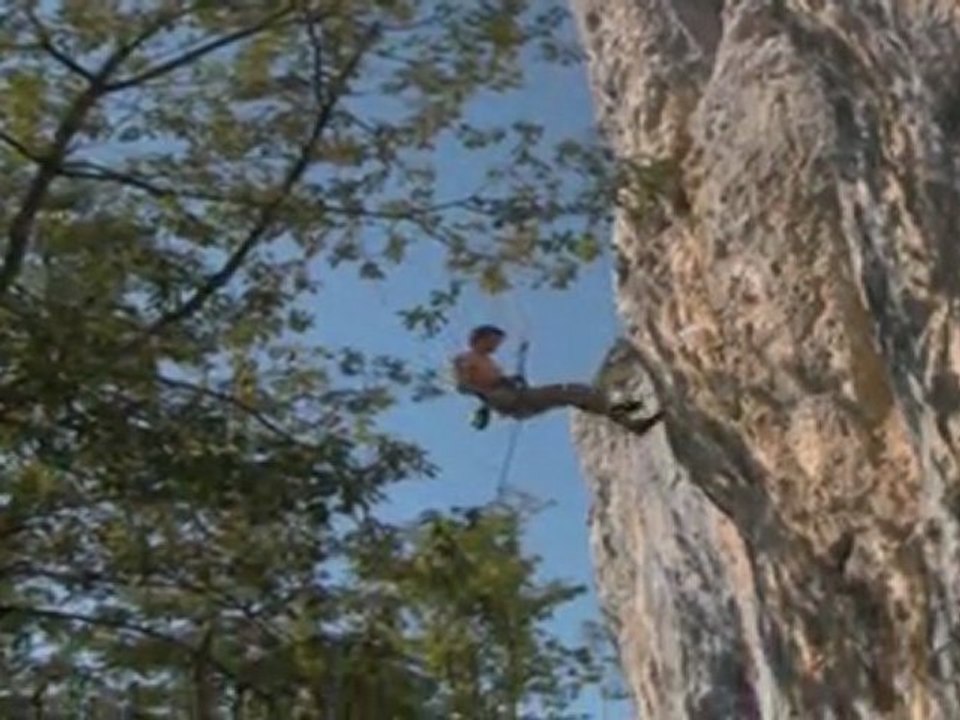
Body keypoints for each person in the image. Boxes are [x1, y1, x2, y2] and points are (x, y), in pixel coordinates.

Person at [452, 324, 665, 434]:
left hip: (513, 397)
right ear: (480, 339)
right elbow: (462, 385)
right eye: (493, 342)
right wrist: (488, 394)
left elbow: (486, 380)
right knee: (570, 392)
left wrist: (509, 380)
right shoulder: (466, 358)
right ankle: (628, 417)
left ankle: (627, 417)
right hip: (504, 399)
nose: (495, 347)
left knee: (574, 393)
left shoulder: (487, 360)